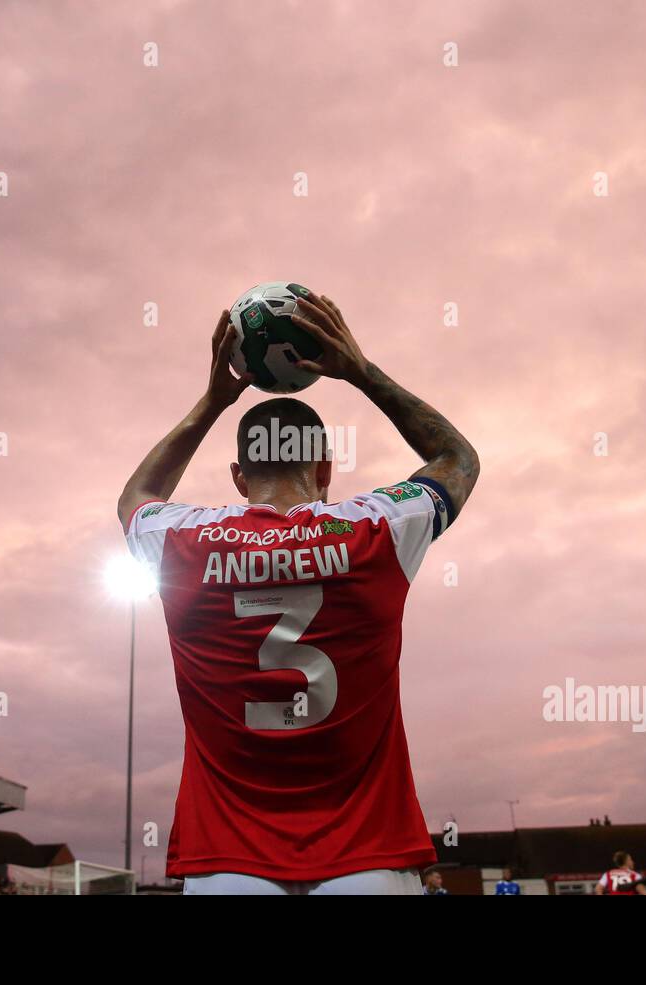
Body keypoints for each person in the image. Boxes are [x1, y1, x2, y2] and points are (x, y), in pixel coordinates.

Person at [119, 292, 480, 895]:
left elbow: (137, 497)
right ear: (326, 469)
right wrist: (360, 373)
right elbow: (457, 458)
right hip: (369, 858)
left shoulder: (185, 542)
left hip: (227, 863)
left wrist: (211, 403)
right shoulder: (376, 530)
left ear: (238, 476)